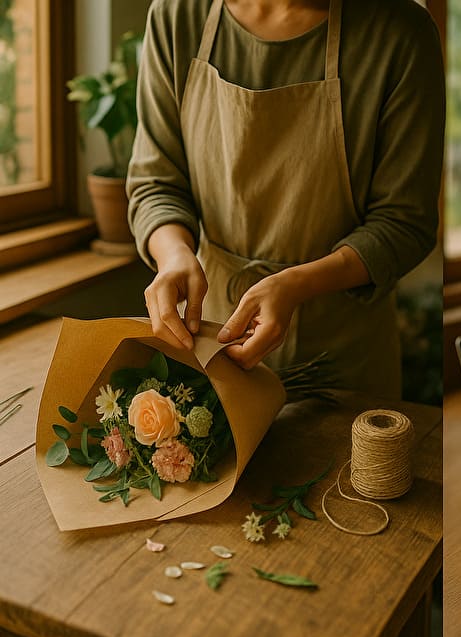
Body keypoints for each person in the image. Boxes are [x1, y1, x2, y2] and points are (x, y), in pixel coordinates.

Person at [127, 0, 444, 398]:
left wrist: (296, 285)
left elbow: (405, 222)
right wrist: (173, 255)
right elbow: (156, 182)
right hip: (209, 351)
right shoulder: (177, 16)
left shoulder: (399, 33)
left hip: (342, 362)